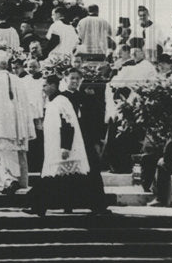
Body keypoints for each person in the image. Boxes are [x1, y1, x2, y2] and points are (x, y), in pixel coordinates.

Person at [26, 74, 95, 216]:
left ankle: (39, 207)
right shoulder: (52, 102)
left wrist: (66, 147)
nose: (43, 88)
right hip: (54, 147)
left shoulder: (61, 101)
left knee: (55, 178)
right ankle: (63, 206)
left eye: (45, 85)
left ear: (53, 85)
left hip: (63, 147)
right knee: (63, 179)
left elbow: (68, 124)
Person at [0, 50, 36, 195]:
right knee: (15, 153)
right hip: (17, 127)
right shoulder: (18, 80)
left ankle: (10, 181)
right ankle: (17, 181)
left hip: (1, 127)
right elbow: (26, 105)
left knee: (1, 154)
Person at [60, 67, 109, 213]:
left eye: (77, 78)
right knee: (69, 171)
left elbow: (93, 120)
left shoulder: (86, 97)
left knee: (91, 170)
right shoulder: (61, 98)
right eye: (72, 78)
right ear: (65, 79)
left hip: (85, 139)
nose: (74, 81)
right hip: (68, 140)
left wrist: (95, 140)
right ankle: (67, 204)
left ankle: (97, 205)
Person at [20, 58, 47, 173]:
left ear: (39, 67)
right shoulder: (23, 80)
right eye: (29, 67)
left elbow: (44, 96)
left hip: (39, 110)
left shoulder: (42, 80)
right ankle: (30, 163)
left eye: (34, 67)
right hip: (27, 111)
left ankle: (39, 163)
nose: (31, 69)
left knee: (39, 135)